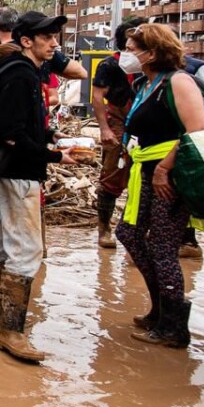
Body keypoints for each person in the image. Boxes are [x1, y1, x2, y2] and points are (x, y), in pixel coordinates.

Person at [0, 12, 78, 364]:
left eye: (55, 37)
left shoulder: (20, 71)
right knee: (27, 251)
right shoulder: (22, 75)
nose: (54, 43)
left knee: (5, 246)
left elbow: (19, 124)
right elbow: (11, 133)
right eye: (47, 37)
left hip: (10, 172)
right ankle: (11, 332)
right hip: (21, 172)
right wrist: (53, 156)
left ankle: (0, 322)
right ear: (26, 41)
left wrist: (50, 134)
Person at [114, 23, 204, 349]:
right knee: (128, 233)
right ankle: (160, 309)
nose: (126, 54)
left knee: (163, 247)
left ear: (152, 53)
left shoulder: (179, 82)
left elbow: (196, 131)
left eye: (132, 49)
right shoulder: (145, 83)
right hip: (146, 169)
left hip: (170, 174)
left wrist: (165, 168)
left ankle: (173, 327)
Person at [91, 18, 143, 249]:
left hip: (144, 126)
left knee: (143, 180)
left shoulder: (153, 66)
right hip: (118, 123)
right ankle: (104, 229)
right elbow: (97, 96)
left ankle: (133, 230)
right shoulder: (109, 64)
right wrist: (104, 128)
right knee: (112, 175)